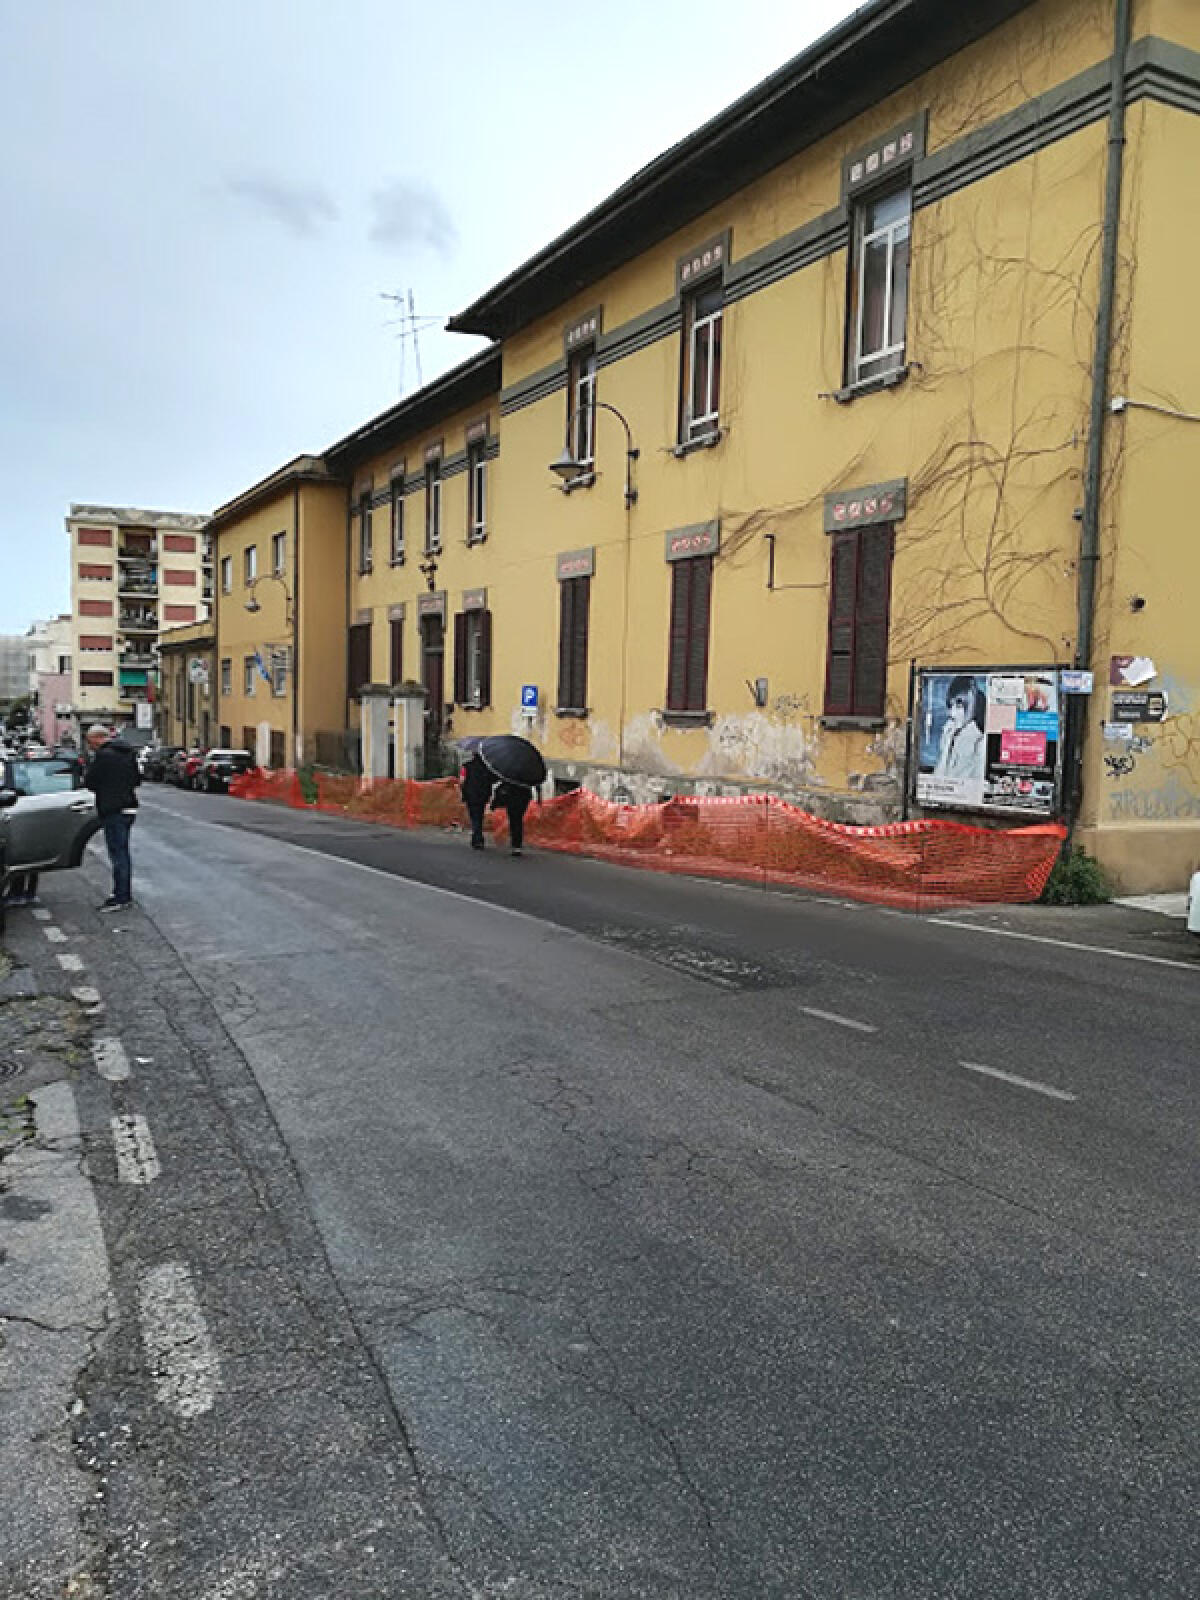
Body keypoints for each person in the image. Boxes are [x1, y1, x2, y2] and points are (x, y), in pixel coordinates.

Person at [84, 724, 141, 910]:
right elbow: (136, 780)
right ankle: (124, 894)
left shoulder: (103, 756)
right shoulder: (128, 753)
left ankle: (120, 897)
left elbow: (90, 781)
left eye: (89, 740)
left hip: (113, 808)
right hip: (129, 807)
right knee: (123, 853)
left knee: (117, 854)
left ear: (97, 738)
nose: (89, 745)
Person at [460, 751, 534, 857]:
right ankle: (515, 844)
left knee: (475, 816)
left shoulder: (466, 766)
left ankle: (477, 838)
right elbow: (494, 779)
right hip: (486, 794)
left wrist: (463, 790)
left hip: (471, 794)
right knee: (515, 819)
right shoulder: (488, 768)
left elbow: (462, 780)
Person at [932, 675, 986, 781]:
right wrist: (947, 742)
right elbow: (937, 778)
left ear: (971, 706)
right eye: (951, 706)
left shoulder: (980, 741)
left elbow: (975, 784)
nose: (952, 713)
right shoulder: (949, 734)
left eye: (959, 706)